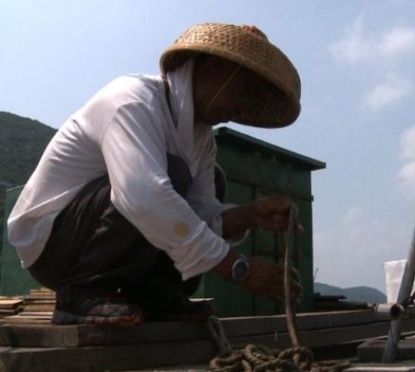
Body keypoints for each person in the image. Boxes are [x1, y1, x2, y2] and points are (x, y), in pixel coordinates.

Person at [7, 22, 303, 325]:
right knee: (168, 177)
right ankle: (82, 293)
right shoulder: (132, 100)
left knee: (212, 179)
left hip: (101, 232)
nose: (244, 110)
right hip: (52, 247)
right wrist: (238, 268)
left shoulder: (202, 140)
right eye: (245, 93)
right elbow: (142, 196)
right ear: (216, 69)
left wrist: (250, 215)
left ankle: (157, 296)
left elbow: (197, 212)